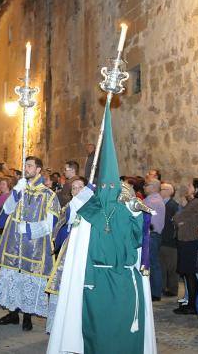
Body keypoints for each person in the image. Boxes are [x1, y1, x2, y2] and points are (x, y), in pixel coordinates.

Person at [47, 107, 155, 354]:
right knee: (99, 332)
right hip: (98, 282)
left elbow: (141, 240)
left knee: (117, 332)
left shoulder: (127, 212)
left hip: (119, 280)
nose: (107, 190)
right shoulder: (92, 214)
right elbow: (75, 250)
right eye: (104, 186)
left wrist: (139, 213)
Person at [0, 155, 60, 331]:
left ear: (38, 170)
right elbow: (6, 211)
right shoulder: (19, 189)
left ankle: (27, 316)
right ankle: (13, 314)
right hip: (13, 245)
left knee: (28, 278)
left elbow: (51, 225)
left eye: (30, 166)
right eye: (25, 165)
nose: (26, 168)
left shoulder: (48, 195)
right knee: (13, 277)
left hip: (34, 247)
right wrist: (15, 192)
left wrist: (29, 229)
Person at [45, 176, 86, 333]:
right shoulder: (68, 206)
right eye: (74, 188)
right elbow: (60, 228)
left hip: (82, 253)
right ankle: (59, 324)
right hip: (67, 253)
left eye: (80, 187)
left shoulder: (92, 208)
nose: (77, 190)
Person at [172, 178, 198, 315]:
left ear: (197, 189)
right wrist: (180, 220)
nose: (188, 187)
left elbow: (177, 218)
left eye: (190, 185)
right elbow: (179, 220)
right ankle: (191, 303)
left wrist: (180, 220)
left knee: (190, 274)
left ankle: (193, 305)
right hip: (187, 241)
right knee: (188, 274)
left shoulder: (197, 203)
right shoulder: (194, 203)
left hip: (190, 242)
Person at [143, 179, 166, 301]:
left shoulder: (152, 201)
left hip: (151, 235)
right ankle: (154, 291)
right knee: (153, 263)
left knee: (153, 264)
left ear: (153, 187)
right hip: (154, 235)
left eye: (146, 185)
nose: (144, 187)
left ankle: (155, 293)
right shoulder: (155, 199)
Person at [159, 181, 180, 297]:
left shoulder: (173, 205)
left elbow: (175, 224)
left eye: (162, 189)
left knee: (172, 267)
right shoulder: (162, 204)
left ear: (169, 192)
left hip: (170, 241)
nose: (160, 191)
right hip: (162, 239)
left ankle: (172, 289)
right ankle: (162, 287)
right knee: (162, 265)